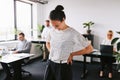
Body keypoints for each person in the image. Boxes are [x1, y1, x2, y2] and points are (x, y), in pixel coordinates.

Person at [44, 5, 93, 80]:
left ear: (63, 19)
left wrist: (72, 54)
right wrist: (51, 51)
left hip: (63, 66)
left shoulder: (73, 33)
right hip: (50, 63)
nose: (55, 28)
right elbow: (47, 42)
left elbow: (89, 49)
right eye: (52, 25)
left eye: (57, 25)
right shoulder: (52, 30)